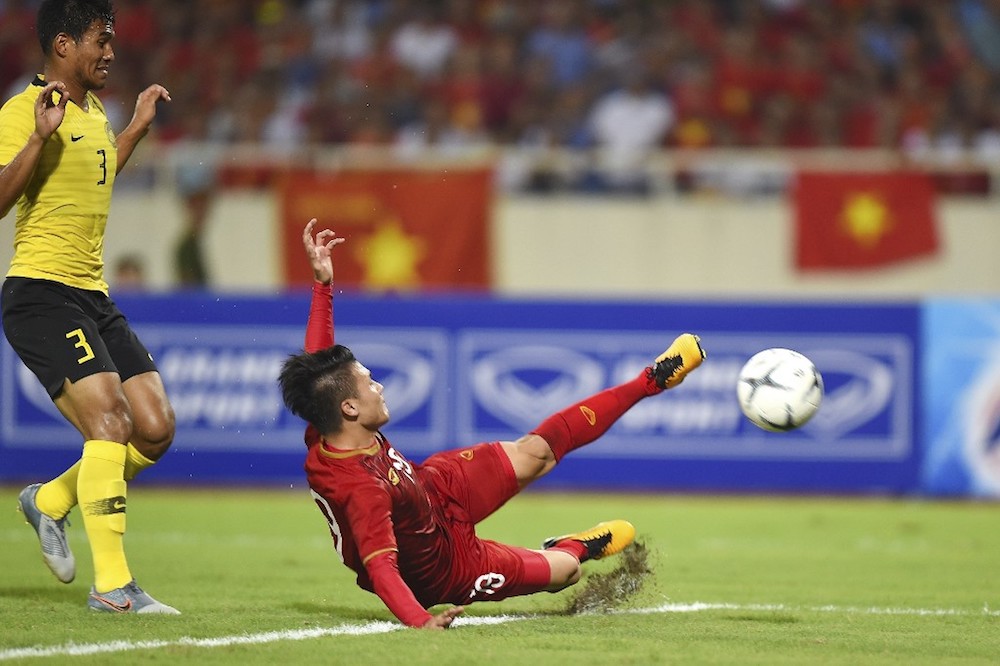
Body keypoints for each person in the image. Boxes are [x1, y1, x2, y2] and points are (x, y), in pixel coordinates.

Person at [278, 219, 706, 629]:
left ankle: (651, 381)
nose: (380, 386)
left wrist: (323, 285)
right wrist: (420, 621)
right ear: (350, 408)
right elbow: (381, 566)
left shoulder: (328, 420)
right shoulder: (360, 486)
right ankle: (573, 545)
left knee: (535, 452)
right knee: (567, 572)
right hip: (446, 570)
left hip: (433, 488)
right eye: (370, 383)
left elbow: (320, 370)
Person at [0, 0, 178, 614]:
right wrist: (38, 139)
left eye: (111, 40)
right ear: (62, 45)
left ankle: (49, 502)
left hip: (92, 296)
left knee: (154, 429)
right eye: (100, 41)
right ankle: (114, 588)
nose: (110, 52)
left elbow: (96, 178)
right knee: (110, 425)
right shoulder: (23, 111)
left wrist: (134, 129)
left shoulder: (96, 112)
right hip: (41, 293)